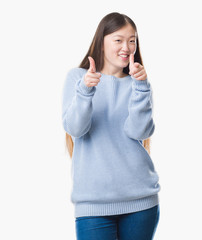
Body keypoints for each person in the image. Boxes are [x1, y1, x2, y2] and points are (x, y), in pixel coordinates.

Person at [61, 12, 160, 240]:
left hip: (141, 202)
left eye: (132, 40)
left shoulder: (139, 83)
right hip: (93, 205)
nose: (127, 47)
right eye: (118, 39)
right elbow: (75, 128)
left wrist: (141, 87)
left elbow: (139, 131)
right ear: (101, 42)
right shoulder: (77, 78)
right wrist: (85, 91)